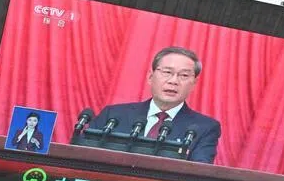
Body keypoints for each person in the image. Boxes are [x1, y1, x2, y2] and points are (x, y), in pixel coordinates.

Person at [90, 46, 221, 164]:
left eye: (184, 75)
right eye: (167, 72)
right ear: (150, 77)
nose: (173, 81)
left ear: (194, 84)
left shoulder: (205, 128)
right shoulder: (113, 116)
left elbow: (198, 173)